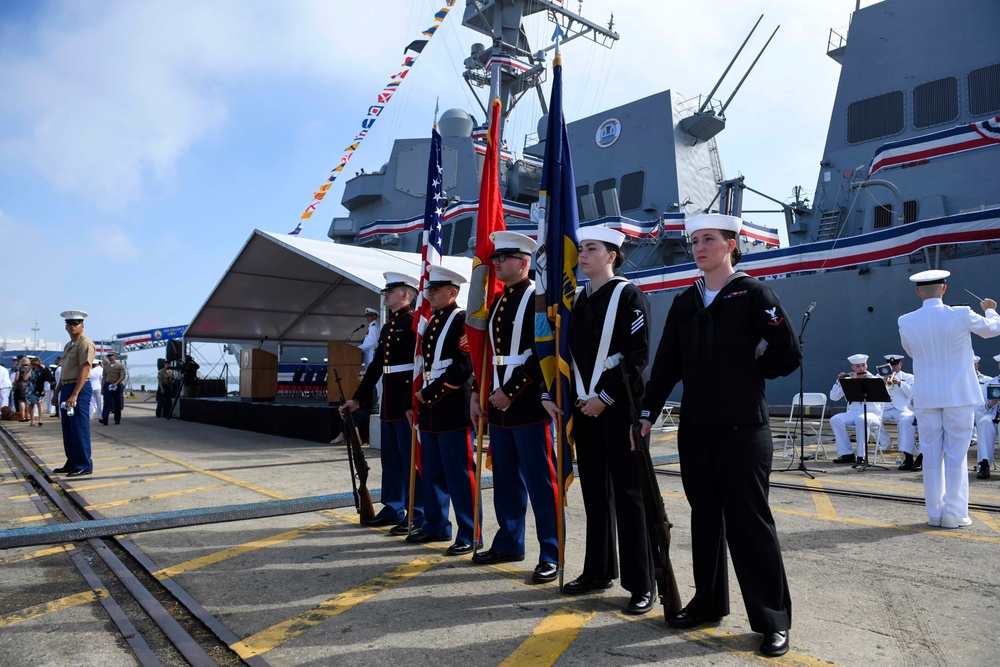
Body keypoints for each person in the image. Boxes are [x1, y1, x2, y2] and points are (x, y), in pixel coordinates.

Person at [638, 213, 799, 657]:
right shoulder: (686, 301)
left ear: (732, 244)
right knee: (705, 519)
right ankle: (708, 604)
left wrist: (753, 374)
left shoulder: (752, 293)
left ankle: (772, 621)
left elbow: (787, 350)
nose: (699, 247)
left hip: (744, 428)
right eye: (694, 241)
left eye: (709, 239)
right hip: (697, 428)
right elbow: (667, 363)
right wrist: (647, 414)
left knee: (750, 523)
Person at [543, 225, 655, 615]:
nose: (583, 255)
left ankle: (642, 582)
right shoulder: (576, 301)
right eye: (583, 249)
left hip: (619, 409)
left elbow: (637, 356)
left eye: (591, 249)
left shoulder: (630, 296)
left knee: (628, 495)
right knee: (595, 493)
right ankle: (598, 569)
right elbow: (562, 353)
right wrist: (551, 393)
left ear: (611, 255)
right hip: (584, 410)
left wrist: (604, 398)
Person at [470, 232, 559, 584]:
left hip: (527, 404)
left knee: (540, 481)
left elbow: (544, 353)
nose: (495, 264)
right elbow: (489, 355)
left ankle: (551, 552)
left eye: (502, 259)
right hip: (498, 403)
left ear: (523, 262)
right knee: (505, 479)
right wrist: (480, 394)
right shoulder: (498, 303)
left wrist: (511, 390)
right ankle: (509, 542)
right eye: (494, 259)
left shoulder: (538, 298)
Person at [898, 270, 1000, 528]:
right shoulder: (961, 313)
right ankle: (955, 513)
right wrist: (990, 309)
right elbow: (993, 330)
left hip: (926, 395)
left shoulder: (906, 320)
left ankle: (935, 513)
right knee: (956, 453)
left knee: (931, 452)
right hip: (958, 394)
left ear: (918, 292)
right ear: (944, 290)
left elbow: (910, 351)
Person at [341, 272, 424, 535]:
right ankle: (393, 507)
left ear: (405, 294)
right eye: (385, 291)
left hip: (406, 401)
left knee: (410, 460)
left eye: (391, 291)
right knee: (391, 460)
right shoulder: (388, 327)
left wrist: (414, 401)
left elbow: (420, 366)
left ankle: (416, 512)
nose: (385, 295)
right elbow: (377, 366)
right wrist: (357, 398)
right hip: (389, 401)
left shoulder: (414, 322)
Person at [407, 265, 481, 556]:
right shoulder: (433, 321)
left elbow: (464, 366)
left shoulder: (460, 320)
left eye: (436, 290)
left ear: (453, 292)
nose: (430, 294)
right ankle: (436, 525)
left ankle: (469, 532)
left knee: (460, 475)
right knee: (433, 472)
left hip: (451, 407)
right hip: (430, 410)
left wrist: (430, 394)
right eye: (429, 290)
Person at [55, 310, 96, 476]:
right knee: (68, 428)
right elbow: (65, 370)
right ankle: (71, 462)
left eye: (76, 323)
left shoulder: (85, 344)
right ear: (66, 327)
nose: (73, 326)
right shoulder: (69, 345)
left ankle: (83, 464)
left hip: (78, 388)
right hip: (66, 387)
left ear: (82, 325)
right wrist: (58, 391)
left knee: (79, 427)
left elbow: (85, 369)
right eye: (70, 324)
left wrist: (75, 394)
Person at [829, 354, 885, 465]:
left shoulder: (875, 380)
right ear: (852, 367)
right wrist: (839, 382)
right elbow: (833, 397)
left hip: (871, 414)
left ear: (867, 365)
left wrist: (858, 382)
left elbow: (879, 397)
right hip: (852, 412)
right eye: (858, 366)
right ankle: (846, 454)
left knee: (861, 419)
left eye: (863, 365)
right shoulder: (848, 380)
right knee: (835, 419)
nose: (861, 369)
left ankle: (861, 456)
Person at [881, 354, 920, 471]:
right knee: (875, 419)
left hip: (902, 409)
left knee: (904, 421)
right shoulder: (880, 376)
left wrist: (900, 383)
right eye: (890, 365)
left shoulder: (909, 377)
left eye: (895, 364)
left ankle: (905, 450)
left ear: (900, 365)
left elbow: (912, 394)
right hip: (887, 408)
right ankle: (885, 442)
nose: (892, 367)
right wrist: (883, 382)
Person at [974, 353, 1000, 479]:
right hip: (992, 413)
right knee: (984, 422)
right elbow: (980, 406)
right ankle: (984, 463)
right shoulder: (991, 382)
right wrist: (991, 403)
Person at [100, 351, 126, 425]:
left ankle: (117, 419)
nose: (109, 357)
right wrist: (102, 388)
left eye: (111, 356)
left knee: (117, 402)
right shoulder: (106, 367)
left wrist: (116, 383)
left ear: (115, 356)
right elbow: (104, 378)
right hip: (108, 385)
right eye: (108, 356)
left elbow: (122, 376)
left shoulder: (119, 366)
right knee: (107, 402)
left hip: (117, 385)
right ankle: (105, 418)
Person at [26, 358, 46, 426]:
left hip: (39, 388)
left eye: (37, 365)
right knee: (31, 404)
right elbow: (25, 378)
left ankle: (40, 419)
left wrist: (43, 368)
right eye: (33, 364)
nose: (35, 366)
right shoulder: (29, 370)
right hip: (30, 389)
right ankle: (32, 420)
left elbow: (47, 376)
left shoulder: (41, 370)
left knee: (39, 403)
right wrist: (30, 369)